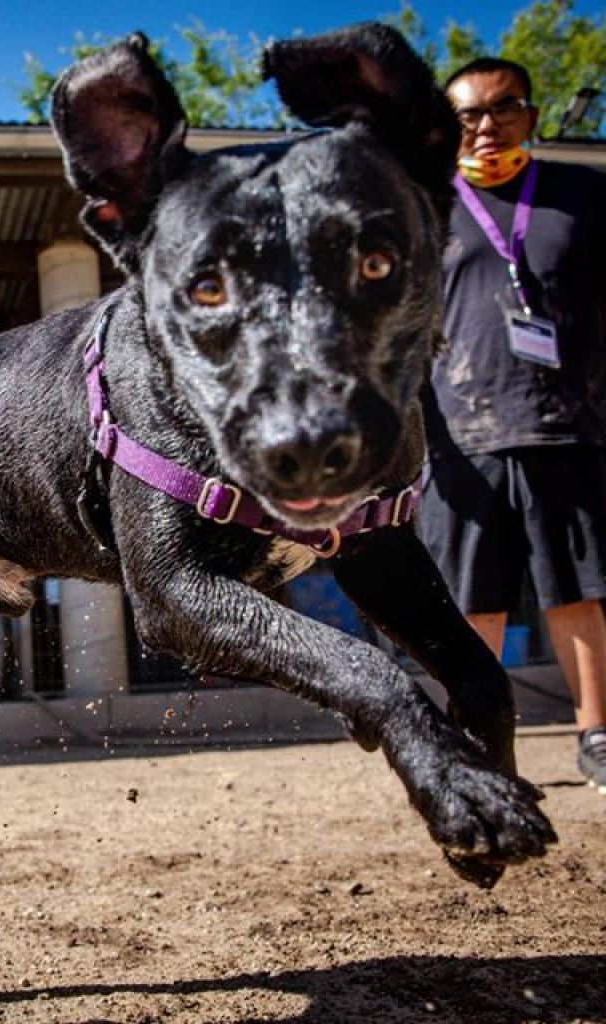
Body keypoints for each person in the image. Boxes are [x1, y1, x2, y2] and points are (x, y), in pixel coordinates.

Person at [419, 56, 606, 793]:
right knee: (471, 602)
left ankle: (597, 734)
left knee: (578, 591)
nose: (487, 125)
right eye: (469, 114)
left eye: (504, 108)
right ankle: (478, 746)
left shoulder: (583, 196)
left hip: (570, 425)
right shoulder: (426, 205)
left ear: (532, 114)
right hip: (459, 438)